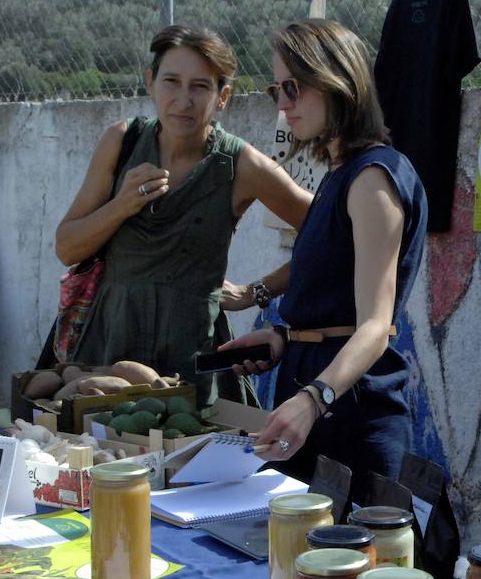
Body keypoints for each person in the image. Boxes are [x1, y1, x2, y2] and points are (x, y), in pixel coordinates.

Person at [220, 19, 428, 500]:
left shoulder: (373, 179)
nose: (282, 103)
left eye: (293, 87)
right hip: (315, 391)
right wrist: (280, 335)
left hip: (350, 413)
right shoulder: (341, 174)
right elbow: (327, 267)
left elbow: (375, 327)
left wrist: (314, 398)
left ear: (337, 83)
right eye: (277, 88)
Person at [54, 25, 312, 403]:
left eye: (200, 86)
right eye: (171, 81)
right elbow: (67, 246)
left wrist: (255, 291)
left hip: (193, 361)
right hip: (107, 354)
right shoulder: (121, 142)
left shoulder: (241, 164)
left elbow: (333, 233)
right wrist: (122, 204)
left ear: (223, 97)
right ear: (150, 82)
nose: (183, 100)